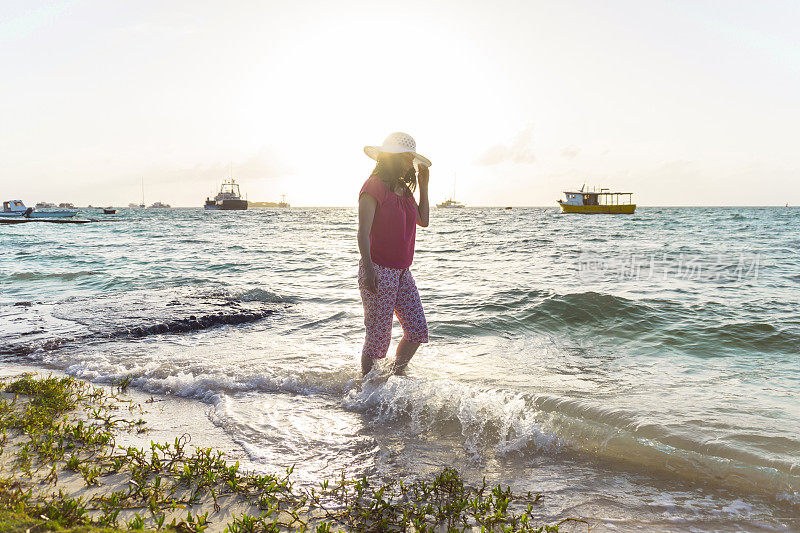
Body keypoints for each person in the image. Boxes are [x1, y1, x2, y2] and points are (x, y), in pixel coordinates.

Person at [357, 132, 431, 376]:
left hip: (402, 273)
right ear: (394, 158)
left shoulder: (405, 191)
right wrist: (368, 270)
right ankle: (367, 390)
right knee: (378, 339)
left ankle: (392, 376)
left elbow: (424, 220)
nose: (411, 163)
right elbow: (363, 232)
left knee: (417, 330)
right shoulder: (373, 187)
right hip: (378, 269)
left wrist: (424, 187)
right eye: (408, 158)